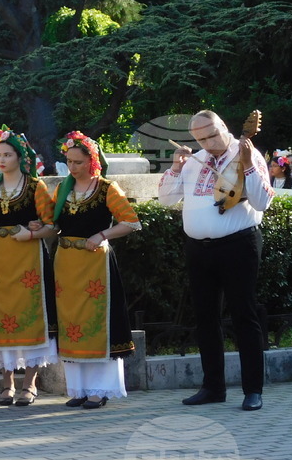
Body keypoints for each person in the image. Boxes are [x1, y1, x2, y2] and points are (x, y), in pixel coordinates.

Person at [158, 110, 274, 411]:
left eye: (211, 135)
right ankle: (213, 387)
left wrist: (248, 166)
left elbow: (263, 201)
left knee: (243, 316)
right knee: (205, 318)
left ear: (223, 126)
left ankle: (253, 390)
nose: (207, 143)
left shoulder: (247, 153)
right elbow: (167, 199)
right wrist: (174, 168)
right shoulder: (194, 160)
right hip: (198, 248)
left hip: (238, 245)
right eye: (200, 138)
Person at [52, 131, 140, 409]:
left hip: (94, 264)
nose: (72, 167)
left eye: (78, 162)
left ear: (92, 161)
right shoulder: (62, 190)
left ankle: (100, 389)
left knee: (96, 323)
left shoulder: (106, 189)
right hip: (66, 263)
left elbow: (130, 222)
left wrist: (101, 235)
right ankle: (77, 388)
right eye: (69, 161)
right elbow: (53, 223)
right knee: (71, 323)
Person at [0, 127, 57, 407]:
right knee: (2, 317)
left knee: (31, 316)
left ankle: (30, 383)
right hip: (0, 261)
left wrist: (32, 232)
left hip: (28, 259)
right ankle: (7, 382)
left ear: (20, 158)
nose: (2, 160)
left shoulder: (36, 187)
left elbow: (51, 226)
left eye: (8, 155)